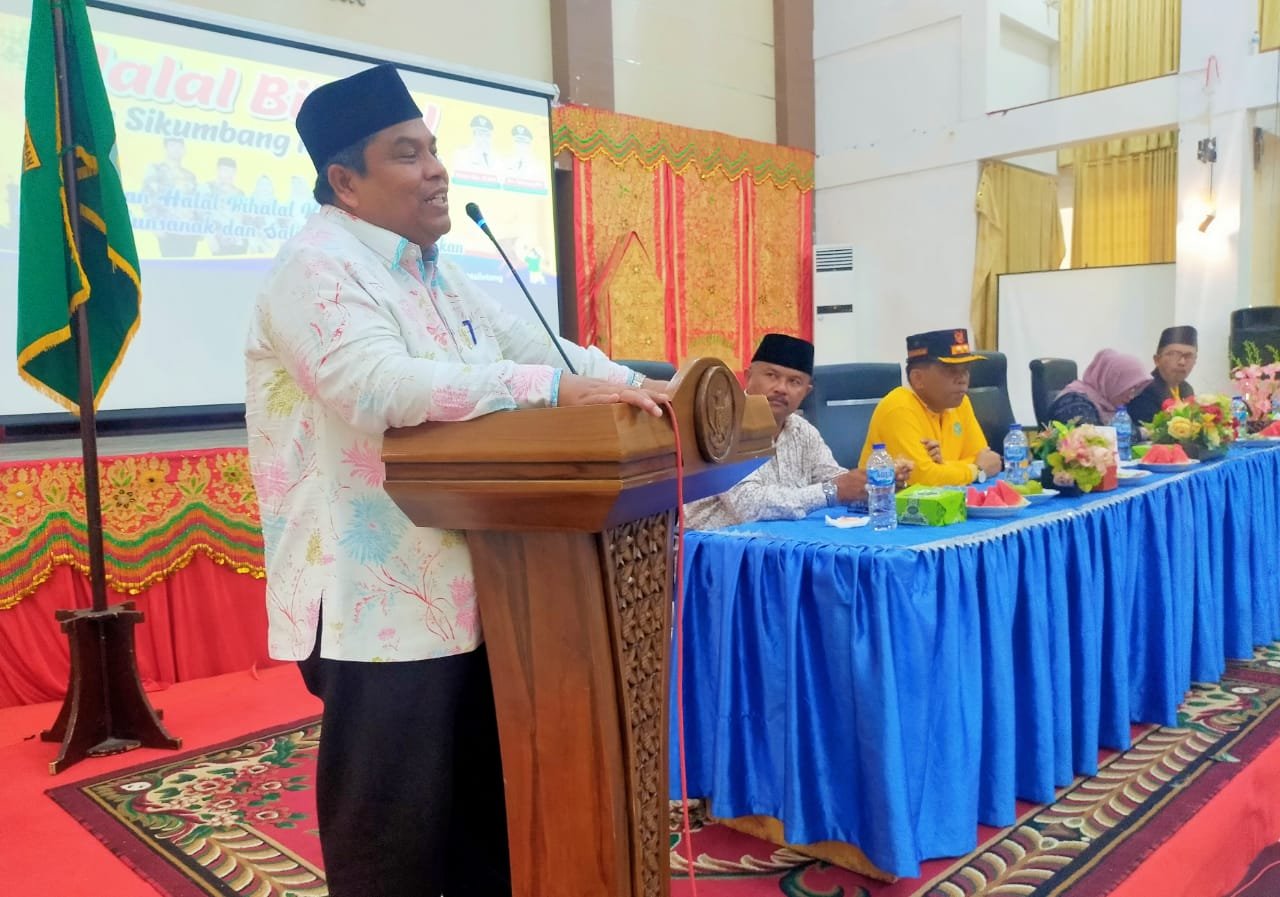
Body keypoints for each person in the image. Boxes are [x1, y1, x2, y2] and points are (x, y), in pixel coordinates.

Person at [244, 64, 667, 897]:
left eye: (434, 148)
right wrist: (548, 390)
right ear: (345, 182)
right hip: (376, 601)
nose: (437, 169)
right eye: (408, 153)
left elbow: (539, 346)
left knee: (484, 825)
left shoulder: (435, 270)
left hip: (487, 583)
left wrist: (648, 387)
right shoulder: (315, 267)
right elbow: (377, 387)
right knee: (393, 847)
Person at [685, 333, 910, 529]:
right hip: (714, 546)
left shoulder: (803, 431)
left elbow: (836, 480)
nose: (781, 388)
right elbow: (747, 506)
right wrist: (832, 491)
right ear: (748, 376)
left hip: (781, 544)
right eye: (771, 375)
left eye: (794, 382)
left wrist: (875, 485)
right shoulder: (721, 427)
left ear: (806, 391)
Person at [859, 328, 1003, 486]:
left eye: (966, 370)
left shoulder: (961, 403)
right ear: (918, 379)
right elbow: (923, 478)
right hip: (888, 500)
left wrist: (945, 466)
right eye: (951, 371)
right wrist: (976, 470)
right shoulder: (899, 407)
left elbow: (987, 459)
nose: (962, 379)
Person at [1043, 348, 1153, 427]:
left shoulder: (1110, 406)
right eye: (1129, 387)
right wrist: (1141, 433)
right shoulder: (1074, 401)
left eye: (1135, 390)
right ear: (1113, 381)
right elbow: (1093, 437)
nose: (1131, 396)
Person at [1126, 325, 1198, 427]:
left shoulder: (1187, 389)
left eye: (1189, 356)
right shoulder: (1143, 389)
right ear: (1157, 360)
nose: (1182, 362)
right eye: (1174, 354)